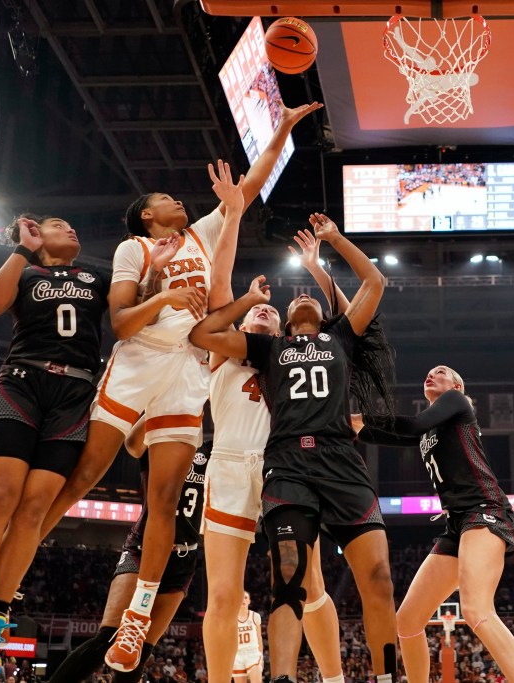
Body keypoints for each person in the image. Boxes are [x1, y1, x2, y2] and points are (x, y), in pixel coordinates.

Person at [28, 100, 320, 674]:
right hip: (140, 360)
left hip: (188, 371)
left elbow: (247, 188)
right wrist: (160, 291)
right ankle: (6, 571)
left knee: (161, 501)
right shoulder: (133, 249)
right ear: (145, 217)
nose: (177, 201)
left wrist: (282, 130)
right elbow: (120, 324)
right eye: (164, 199)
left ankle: (137, 621)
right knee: (85, 472)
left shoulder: (203, 234)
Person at [189, 213, 398, 683]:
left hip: (337, 463)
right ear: (281, 324)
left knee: (371, 581)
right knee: (288, 582)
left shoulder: (339, 338)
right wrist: (249, 303)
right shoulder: (266, 350)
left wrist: (330, 245)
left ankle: (365, 676)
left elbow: (373, 282)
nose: (299, 296)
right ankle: (282, 677)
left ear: (325, 318)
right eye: (292, 298)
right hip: (283, 468)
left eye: (310, 296)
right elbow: (203, 335)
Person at [0, 214, 110, 680]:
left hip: (75, 394)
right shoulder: (26, 270)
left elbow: (129, 312)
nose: (71, 228)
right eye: (58, 223)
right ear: (36, 234)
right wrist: (22, 249)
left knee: (33, 512)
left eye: (73, 225)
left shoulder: (98, 277)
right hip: (22, 382)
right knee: (1, 497)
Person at [200, 196, 344, 683]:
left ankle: (334, 677)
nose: (262, 313)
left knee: (312, 584)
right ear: (243, 324)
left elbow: (339, 329)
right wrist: (233, 216)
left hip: (283, 468)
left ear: (280, 331)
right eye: (254, 312)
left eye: (269, 312)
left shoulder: (288, 359)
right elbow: (217, 286)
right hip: (228, 466)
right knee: (222, 595)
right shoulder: (224, 355)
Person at [353, 366, 514, 683]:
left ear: (457, 385)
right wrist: (354, 427)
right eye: (430, 373)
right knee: (406, 621)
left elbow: (412, 424)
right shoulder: (431, 429)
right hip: (456, 522)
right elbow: (394, 434)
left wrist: (363, 417)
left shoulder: (457, 402)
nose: (431, 375)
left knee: (476, 610)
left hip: (483, 510)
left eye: (442, 372)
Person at [48, 424, 210, 683]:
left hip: (184, 556)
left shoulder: (211, 452)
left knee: (141, 650)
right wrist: (156, 407)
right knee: (109, 637)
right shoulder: (159, 439)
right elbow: (132, 444)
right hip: (143, 547)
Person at [233, 592, 264, 683]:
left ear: (249, 601)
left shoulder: (255, 616)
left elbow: (259, 638)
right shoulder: (232, 618)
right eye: (241, 598)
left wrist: (261, 655)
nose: (243, 600)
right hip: (237, 654)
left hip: (252, 653)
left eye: (246, 597)